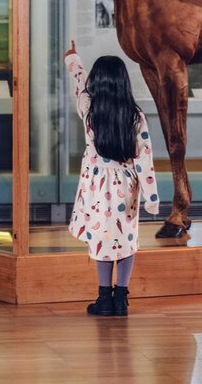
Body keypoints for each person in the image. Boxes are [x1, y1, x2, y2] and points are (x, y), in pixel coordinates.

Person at [64, 41, 159, 316]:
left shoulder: (90, 112)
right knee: (126, 239)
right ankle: (121, 298)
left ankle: (104, 297)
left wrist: (73, 59)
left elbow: (80, 85)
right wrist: (151, 199)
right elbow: (145, 160)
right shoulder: (136, 116)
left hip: (96, 186)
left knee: (102, 239)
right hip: (126, 186)